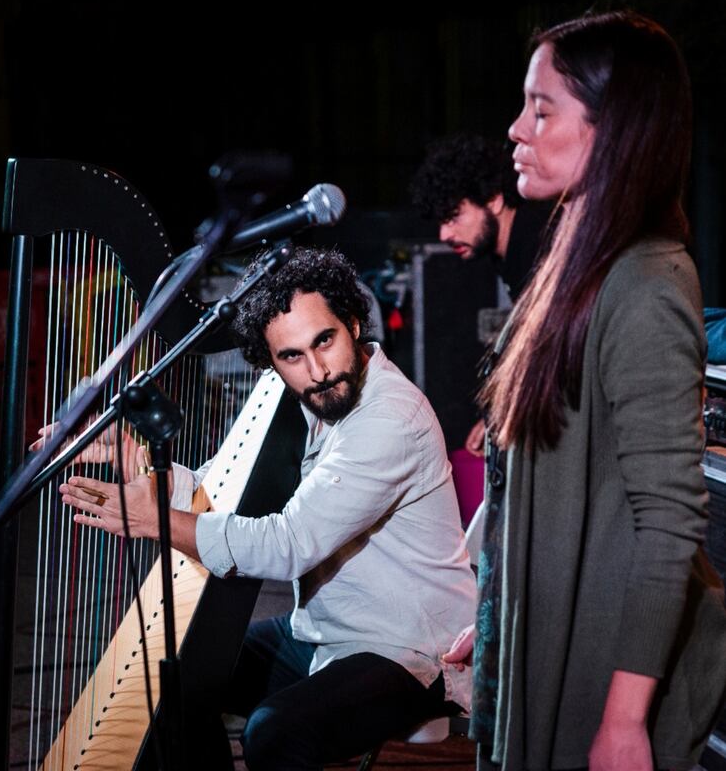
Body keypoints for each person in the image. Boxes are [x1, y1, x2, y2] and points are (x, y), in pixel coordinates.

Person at [53, 248, 476, 770]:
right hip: (326, 631)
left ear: (352, 324)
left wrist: (155, 522)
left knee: (274, 734)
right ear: (270, 361)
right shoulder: (303, 396)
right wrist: (132, 455)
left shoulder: (388, 417)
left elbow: (289, 545)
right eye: (292, 356)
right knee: (177, 680)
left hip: (410, 649)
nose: (318, 371)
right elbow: (216, 488)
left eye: (325, 340)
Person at [443, 11, 726, 771]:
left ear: (615, 128)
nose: (516, 129)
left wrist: (625, 722)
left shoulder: (646, 286)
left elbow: (669, 522)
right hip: (551, 644)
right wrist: (503, 613)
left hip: (601, 680)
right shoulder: (579, 265)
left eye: (542, 109)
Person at [410, 133, 552, 458]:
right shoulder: (513, 252)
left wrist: (504, 412)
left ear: (493, 199)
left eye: (454, 216)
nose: (445, 234)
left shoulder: (540, 245)